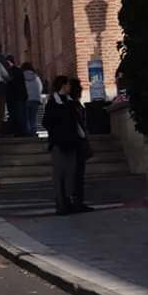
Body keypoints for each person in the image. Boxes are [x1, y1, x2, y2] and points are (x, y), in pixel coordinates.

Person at [42, 76, 88, 215]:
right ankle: (61, 203)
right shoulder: (53, 103)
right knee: (60, 174)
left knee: (70, 174)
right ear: (63, 85)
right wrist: (58, 133)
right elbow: (47, 122)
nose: (69, 87)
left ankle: (68, 201)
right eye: (67, 85)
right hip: (59, 143)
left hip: (71, 143)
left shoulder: (69, 102)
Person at [68, 78, 93, 212]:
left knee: (76, 175)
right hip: (77, 143)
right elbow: (80, 126)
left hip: (75, 143)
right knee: (77, 175)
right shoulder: (74, 106)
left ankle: (76, 201)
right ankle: (77, 201)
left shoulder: (73, 104)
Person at [5, 56, 28, 136]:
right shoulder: (19, 71)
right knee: (21, 116)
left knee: (16, 115)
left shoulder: (9, 72)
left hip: (14, 98)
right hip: (20, 97)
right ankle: (22, 132)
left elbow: (10, 84)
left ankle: (18, 132)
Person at [22, 63, 43, 136]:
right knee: (33, 118)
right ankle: (33, 133)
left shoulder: (21, 77)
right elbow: (40, 87)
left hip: (25, 100)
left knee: (26, 118)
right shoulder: (36, 77)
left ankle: (28, 133)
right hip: (35, 100)